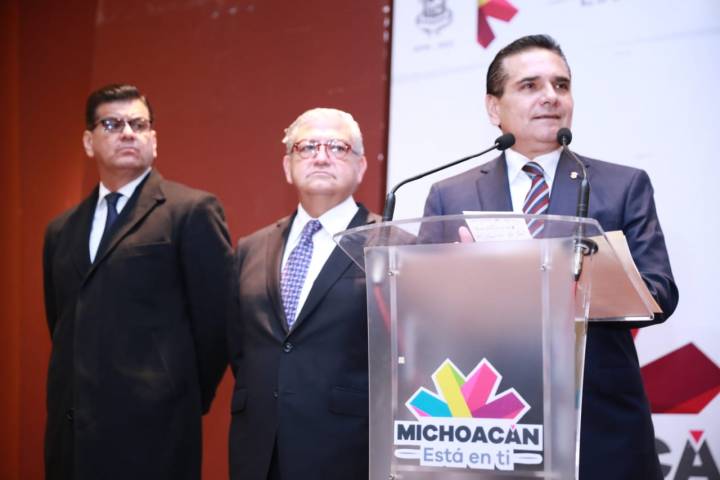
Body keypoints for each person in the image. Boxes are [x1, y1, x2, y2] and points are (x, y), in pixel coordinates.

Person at [423, 35, 678, 479]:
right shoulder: (450, 195)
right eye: (530, 85)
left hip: (597, 420)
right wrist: (462, 285)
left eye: (561, 85)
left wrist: (581, 280)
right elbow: (420, 305)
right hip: (485, 419)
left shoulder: (621, 185)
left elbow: (660, 292)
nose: (550, 96)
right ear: (493, 107)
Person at [42, 84, 235, 480]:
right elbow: (62, 322)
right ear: (89, 142)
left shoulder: (190, 211)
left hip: (156, 432)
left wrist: (177, 394)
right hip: (73, 432)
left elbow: (218, 323)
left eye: (138, 124)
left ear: (154, 140)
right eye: (112, 124)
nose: (128, 133)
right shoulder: (60, 230)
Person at [228, 108, 377, 479]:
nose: (321, 157)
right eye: (307, 147)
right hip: (259, 450)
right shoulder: (251, 247)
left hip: (348, 450)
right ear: (287, 166)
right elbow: (237, 346)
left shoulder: (388, 245)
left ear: (361, 167)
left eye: (337, 147)